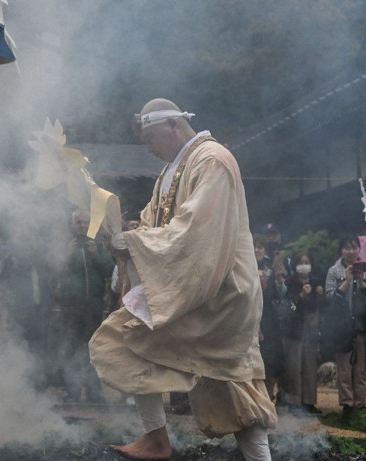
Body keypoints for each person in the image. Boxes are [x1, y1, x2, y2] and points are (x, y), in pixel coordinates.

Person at [90, 98, 276, 461]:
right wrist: (125, 236)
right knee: (231, 381)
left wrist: (134, 243)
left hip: (219, 293)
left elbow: (195, 234)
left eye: (151, 139)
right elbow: (153, 226)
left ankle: (156, 441)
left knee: (124, 340)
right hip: (203, 291)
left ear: (174, 126)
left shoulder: (212, 161)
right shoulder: (172, 171)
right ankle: (158, 440)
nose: (148, 148)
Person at [54, 209, 115, 402]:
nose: (82, 226)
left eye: (85, 223)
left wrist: (96, 254)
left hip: (94, 304)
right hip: (70, 305)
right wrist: (67, 255)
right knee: (71, 347)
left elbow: (110, 271)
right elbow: (55, 271)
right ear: (72, 225)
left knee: (93, 348)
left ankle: (93, 392)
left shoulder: (97, 244)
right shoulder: (64, 245)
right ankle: (72, 391)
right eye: (78, 222)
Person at [325, 237, 366, 420]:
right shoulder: (334, 271)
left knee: (361, 369)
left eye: (354, 247)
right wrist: (347, 281)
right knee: (344, 369)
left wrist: (362, 282)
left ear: (359, 250)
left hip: (362, 326)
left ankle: (360, 404)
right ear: (341, 250)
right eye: (346, 248)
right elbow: (329, 299)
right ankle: (347, 404)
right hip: (342, 327)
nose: (350, 251)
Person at [281, 251, 323, 414]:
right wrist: (300, 296)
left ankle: (309, 402)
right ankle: (293, 402)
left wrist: (320, 296)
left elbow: (322, 307)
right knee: (293, 367)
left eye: (307, 261)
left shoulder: (316, 282)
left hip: (311, 331)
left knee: (310, 367)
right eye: (301, 262)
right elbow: (289, 308)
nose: (304, 265)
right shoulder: (289, 282)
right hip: (293, 331)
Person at [254, 233, 285, 406]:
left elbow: (280, 295)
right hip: (248, 320)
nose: (257, 249)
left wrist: (280, 280)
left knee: (271, 361)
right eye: (254, 245)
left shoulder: (270, 269)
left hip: (268, 321)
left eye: (260, 246)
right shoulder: (242, 267)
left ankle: (268, 399)